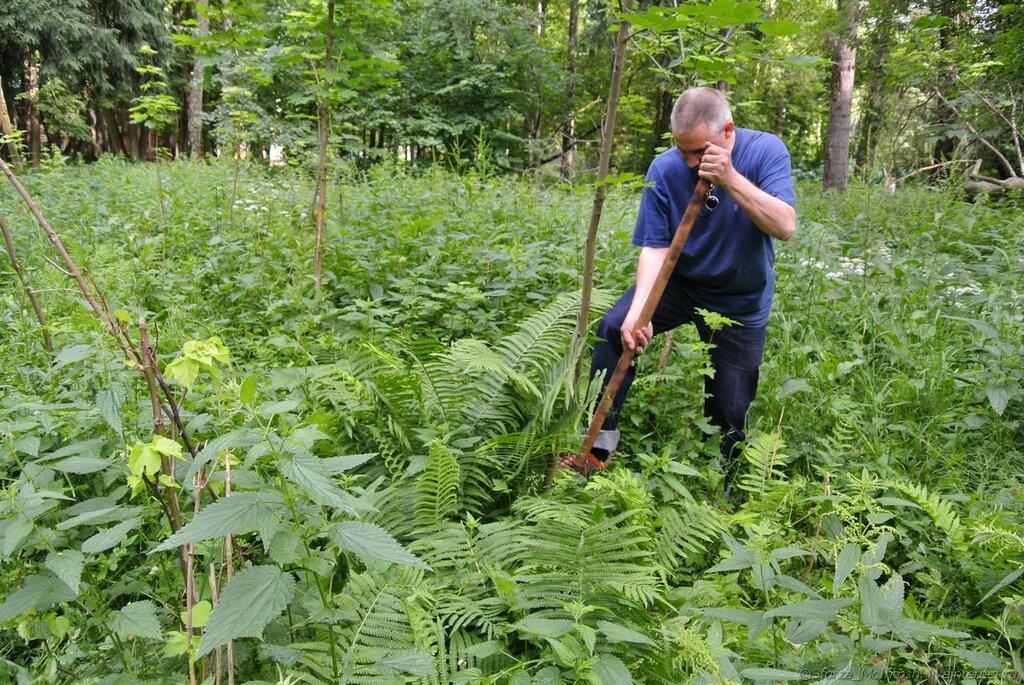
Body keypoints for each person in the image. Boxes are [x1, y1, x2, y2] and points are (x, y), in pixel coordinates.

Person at [566, 87, 797, 497]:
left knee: (727, 406)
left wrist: (728, 178)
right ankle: (598, 451)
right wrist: (639, 313)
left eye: (698, 152)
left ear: (728, 131)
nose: (690, 162)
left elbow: (785, 226)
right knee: (615, 328)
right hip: (679, 285)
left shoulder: (765, 152)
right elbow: (654, 247)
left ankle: (723, 492)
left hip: (739, 299)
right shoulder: (665, 168)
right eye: (682, 150)